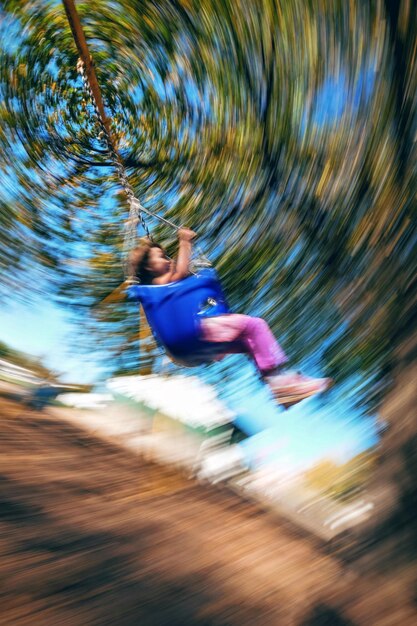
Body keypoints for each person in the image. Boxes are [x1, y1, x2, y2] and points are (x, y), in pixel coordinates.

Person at [128, 228, 332, 407]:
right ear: (147, 267)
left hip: (183, 351)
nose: (168, 259)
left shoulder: (152, 295)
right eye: (162, 256)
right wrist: (184, 241)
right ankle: (278, 383)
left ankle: (281, 386)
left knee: (248, 344)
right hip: (195, 331)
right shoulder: (160, 283)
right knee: (255, 326)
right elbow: (181, 272)